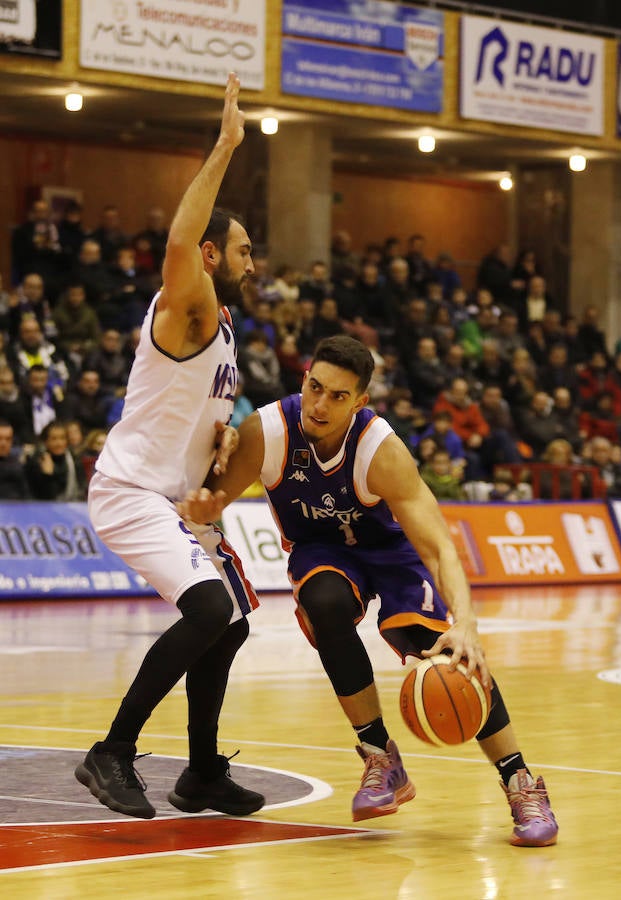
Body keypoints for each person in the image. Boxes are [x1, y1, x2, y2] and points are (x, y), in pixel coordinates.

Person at [179, 335, 558, 847]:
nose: (319, 404)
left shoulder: (381, 450)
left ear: (360, 402)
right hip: (324, 552)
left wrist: (466, 624)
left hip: (393, 553)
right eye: (315, 387)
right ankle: (381, 758)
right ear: (304, 379)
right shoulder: (268, 431)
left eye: (338, 396)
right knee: (324, 603)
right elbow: (212, 499)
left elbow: (440, 547)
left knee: (442, 650)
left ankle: (521, 783)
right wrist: (206, 492)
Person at [74, 74, 264, 822]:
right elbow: (180, 238)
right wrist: (224, 145)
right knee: (211, 607)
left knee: (234, 619)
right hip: (129, 491)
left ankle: (201, 773)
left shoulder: (221, 332)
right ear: (215, 256)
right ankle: (111, 752)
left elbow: (199, 419)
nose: (255, 261)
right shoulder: (189, 303)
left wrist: (219, 447)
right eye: (245, 250)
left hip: (176, 501)